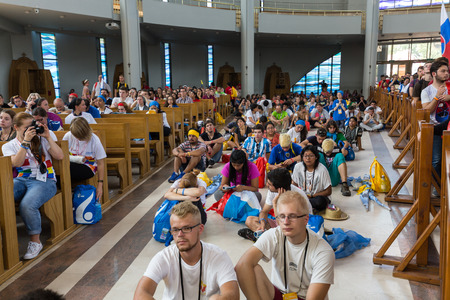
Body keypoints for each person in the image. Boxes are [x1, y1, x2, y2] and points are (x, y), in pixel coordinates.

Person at [235, 191, 335, 300]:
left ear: (305, 220)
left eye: (292, 216)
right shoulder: (274, 235)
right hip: (280, 294)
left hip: (305, 297)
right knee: (253, 269)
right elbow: (241, 266)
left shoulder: (323, 251)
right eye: (282, 216)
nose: (286, 222)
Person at [134, 201, 239, 300]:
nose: (180, 234)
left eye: (186, 228)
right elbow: (141, 294)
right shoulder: (164, 257)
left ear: (200, 229)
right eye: (175, 229)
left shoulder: (218, 256)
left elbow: (232, 294)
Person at [2, 112, 64, 259]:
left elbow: (60, 156)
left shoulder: (42, 140)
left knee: (27, 205)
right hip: (22, 179)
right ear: (16, 127)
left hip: (45, 180)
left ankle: (35, 242)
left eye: (32, 126)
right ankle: (6, 238)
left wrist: (48, 136)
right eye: (27, 127)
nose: (31, 130)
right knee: (3, 196)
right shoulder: (8, 146)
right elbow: (16, 163)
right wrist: (25, 142)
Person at [239, 168, 310, 242]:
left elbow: (282, 223)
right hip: (281, 223)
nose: (267, 185)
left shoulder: (296, 197)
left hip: (294, 227)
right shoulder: (273, 191)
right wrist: (262, 222)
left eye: (269, 184)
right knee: (249, 220)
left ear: (279, 188)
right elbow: (264, 211)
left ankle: (266, 238)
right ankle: (267, 237)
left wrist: (275, 203)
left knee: (284, 234)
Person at [62, 117, 106, 200]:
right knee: (63, 167)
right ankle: (65, 195)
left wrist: (100, 184)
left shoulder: (94, 140)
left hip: (89, 167)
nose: (78, 139)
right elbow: (64, 153)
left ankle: (68, 194)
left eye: (80, 137)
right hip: (73, 163)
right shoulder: (69, 135)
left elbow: (101, 163)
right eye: (76, 136)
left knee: (66, 168)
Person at [420, 57, 450, 178]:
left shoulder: (449, 89)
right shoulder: (427, 91)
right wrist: (437, 97)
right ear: (434, 74)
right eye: (443, 71)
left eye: (447, 71)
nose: (446, 73)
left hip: (449, 127)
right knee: (436, 160)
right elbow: (426, 110)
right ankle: (439, 188)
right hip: (435, 129)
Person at [292, 145, 332, 212]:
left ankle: (302, 206)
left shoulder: (322, 169)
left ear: (316, 157)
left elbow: (328, 191)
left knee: (319, 202)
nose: (308, 158)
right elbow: (294, 184)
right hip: (302, 197)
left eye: (311, 156)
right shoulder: (298, 167)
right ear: (302, 157)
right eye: (305, 156)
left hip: (316, 197)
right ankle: (304, 206)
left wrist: (313, 195)